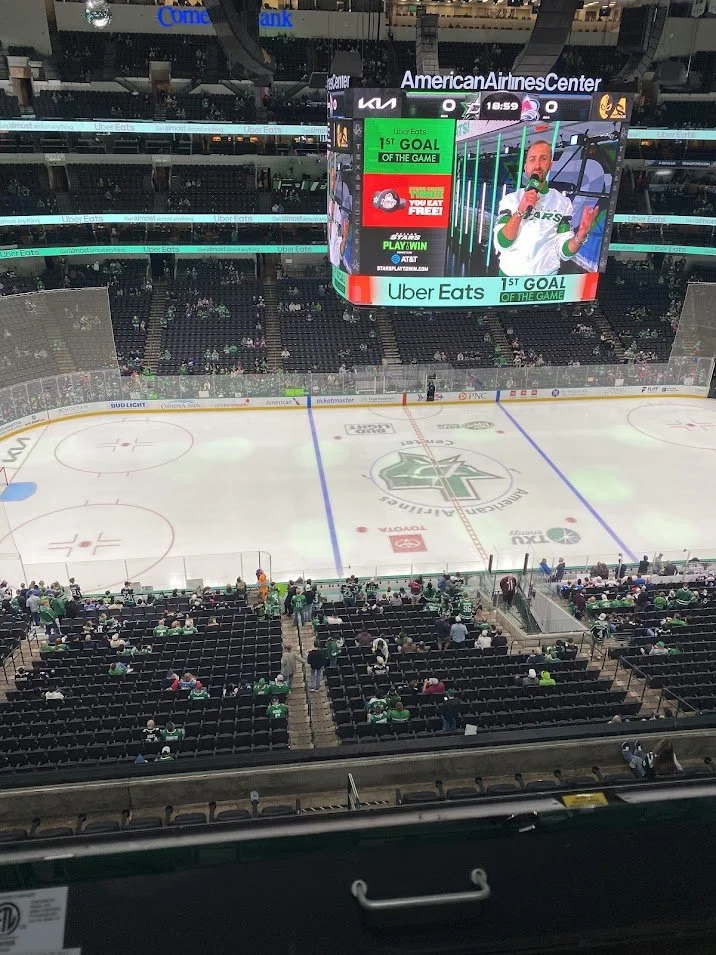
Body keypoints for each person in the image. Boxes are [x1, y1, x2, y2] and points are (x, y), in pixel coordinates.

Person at [493, 139, 599, 277]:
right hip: (509, 276)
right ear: (526, 167)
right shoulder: (510, 200)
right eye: (532, 159)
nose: (537, 165)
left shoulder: (563, 203)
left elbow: (564, 252)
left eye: (543, 158)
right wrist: (520, 210)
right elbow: (502, 243)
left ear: (550, 164)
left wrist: (580, 236)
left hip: (546, 281)